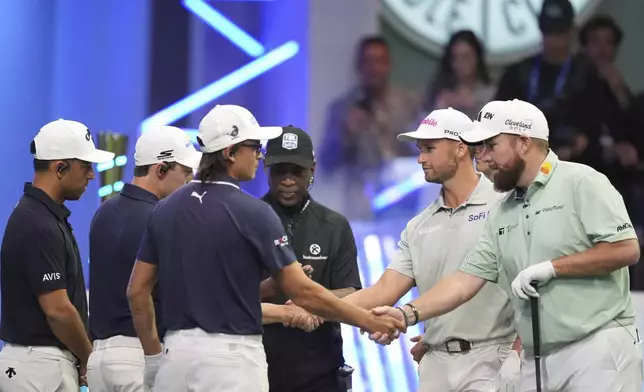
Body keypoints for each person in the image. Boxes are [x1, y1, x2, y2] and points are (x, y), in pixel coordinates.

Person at [125, 104, 405, 392]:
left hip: (176, 359)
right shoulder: (252, 212)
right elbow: (303, 291)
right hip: (232, 360)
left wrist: (154, 357)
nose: (258, 154)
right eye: (253, 146)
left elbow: (136, 290)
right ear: (230, 152)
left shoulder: (165, 209)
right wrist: (367, 320)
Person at [372, 99, 642, 392]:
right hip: (538, 357)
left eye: (490, 145)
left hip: (597, 345)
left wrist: (553, 268)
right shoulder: (502, 210)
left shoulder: (581, 181)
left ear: (523, 143)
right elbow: (464, 282)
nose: (482, 157)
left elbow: (626, 249)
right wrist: (406, 313)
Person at [342, 108, 519, 392]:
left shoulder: (505, 205)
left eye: (429, 148)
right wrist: (316, 307)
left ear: (461, 149)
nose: (420, 158)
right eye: (420, 149)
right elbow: (382, 292)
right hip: (433, 362)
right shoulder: (418, 226)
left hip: (492, 358)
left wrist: (518, 352)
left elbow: (531, 283)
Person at [0, 119, 114, 391]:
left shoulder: (44, 217)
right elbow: (58, 310)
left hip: (43, 365)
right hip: (37, 368)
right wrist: (89, 357)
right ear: (60, 167)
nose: (91, 175)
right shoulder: (36, 222)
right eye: (86, 166)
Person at [86, 125, 202, 391]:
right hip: (140, 355)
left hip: (99, 361)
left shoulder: (103, 213)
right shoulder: (163, 218)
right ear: (160, 169)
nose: (190, 179)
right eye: (185, 172)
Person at [261, 126, 362, 392]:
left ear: (313, 170)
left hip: (321, 371)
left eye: (297, 171)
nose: (288, 180)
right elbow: (229, 295)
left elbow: (351, 290)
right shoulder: (247, 220)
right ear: (265, 169)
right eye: (280, 170)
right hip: (257, 369)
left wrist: (311, 302)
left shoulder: (335, 225)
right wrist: (274, 287)